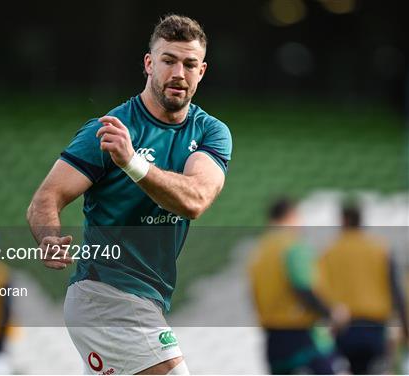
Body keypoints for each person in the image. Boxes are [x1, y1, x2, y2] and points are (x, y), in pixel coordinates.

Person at [27, 14, 232, 375]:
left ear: (202, 71)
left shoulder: (210, 131)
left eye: (189, 64)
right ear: (149, 64)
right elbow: (45, 199)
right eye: (168, 61)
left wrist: (132, 162)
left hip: (145, 300)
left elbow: (195, 199)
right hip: (106, 294)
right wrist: (48, 235)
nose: (178, 74)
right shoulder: (110, 130)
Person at [248, 198, 348, 374]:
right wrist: (331, 313)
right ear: (292, 215)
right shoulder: (293, 246)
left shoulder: (259, 252)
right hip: (303, 338)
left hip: (273, 341)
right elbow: (303, 287)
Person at [320, 204, 409, 374]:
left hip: (344, 328)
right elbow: (395, 290)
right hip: (374, 328)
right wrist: (405, 327)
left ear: (343, 221)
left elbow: (320, 290)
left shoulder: (330, 251)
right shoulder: (380, 249)